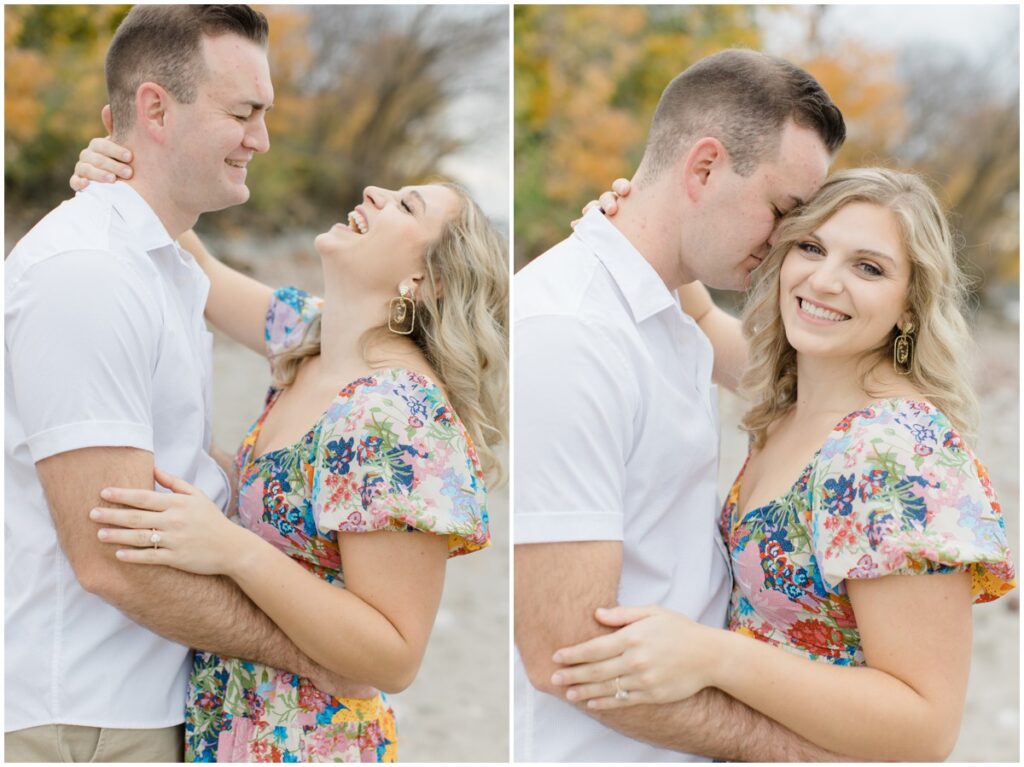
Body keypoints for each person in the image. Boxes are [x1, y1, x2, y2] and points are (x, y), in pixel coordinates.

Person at [547, 168, 1015, 761]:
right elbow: (699, 321)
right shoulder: (800, 395)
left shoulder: (898, 455)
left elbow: (925, 727)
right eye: (812, 248)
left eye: (868, 268)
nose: (824, 281)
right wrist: (644, 224)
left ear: (910, 307)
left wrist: (713, 656)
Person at [71, 145, 508, 759]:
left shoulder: (397, 418)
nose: (375, 194)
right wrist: (127, 176)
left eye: (406, 205)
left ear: (426, 280)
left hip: (308, 741)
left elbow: (394, 654)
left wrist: (233, 550)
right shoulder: (313, 335)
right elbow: (202, 273)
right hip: (224, 716)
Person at [3, 7, 356, 763]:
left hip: (142, 701)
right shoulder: (90, 273)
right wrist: (311, 656)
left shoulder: (166, 269)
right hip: (85, 715)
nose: (261, 139)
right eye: (243, 112)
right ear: (154, 109)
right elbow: (109, 559)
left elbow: (172, 461)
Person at [514, 48, 847, 761]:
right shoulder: (571, 333)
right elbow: (565, 653)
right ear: (703, 167)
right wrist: (804, 753)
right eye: (784, 211)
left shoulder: (665, 306)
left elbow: (801, 388)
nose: (787, 242)